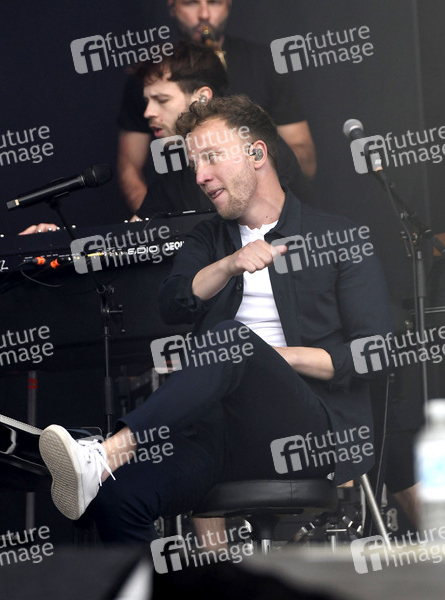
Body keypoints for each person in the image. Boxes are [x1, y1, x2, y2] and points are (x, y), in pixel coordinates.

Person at [37, 94, 393, 544]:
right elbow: (173, 303)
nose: (200, 176)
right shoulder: (208, 238)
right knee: (117, 499)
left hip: (308, 433)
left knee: (231, 340)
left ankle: (108, 453)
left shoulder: (338, 237)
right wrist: (229, 265)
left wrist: (272, 357)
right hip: (221, 436)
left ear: (256, 154)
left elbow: (374, 355)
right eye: (194, 164)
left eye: (211, 158)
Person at [117, 0, 316, 214]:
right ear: (172, 6)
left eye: (162, 100)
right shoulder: (170, 181)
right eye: (191, 3)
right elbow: (141, 212)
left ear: (203, 97)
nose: (204, 14)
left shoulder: (263, 153)